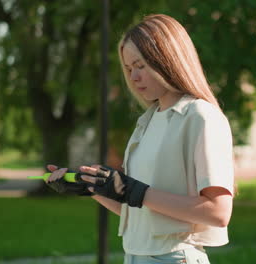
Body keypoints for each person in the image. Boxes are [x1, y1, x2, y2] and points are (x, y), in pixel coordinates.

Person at [46, 14, 234, 264]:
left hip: (175, 257)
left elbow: (218, 211)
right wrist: (91, 189)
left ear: (167, 60)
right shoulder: (148, 121)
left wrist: (135, 191)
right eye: (128, 68)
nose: (133, 78)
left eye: (141, 65)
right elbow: (141, 211)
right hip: (134, 257)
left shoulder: (200, 116)